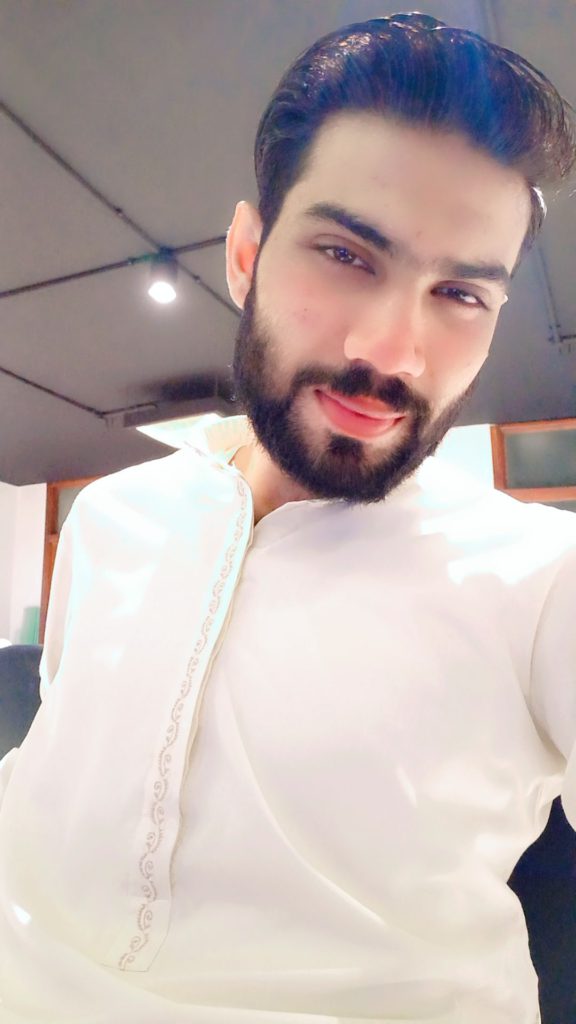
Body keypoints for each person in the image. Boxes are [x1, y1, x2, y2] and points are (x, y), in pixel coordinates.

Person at [0, 11, 575, 1024]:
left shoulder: (544, 580)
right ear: (245, 254)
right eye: (346, 254)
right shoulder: (109, 518)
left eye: (460, 294)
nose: (390, 350)